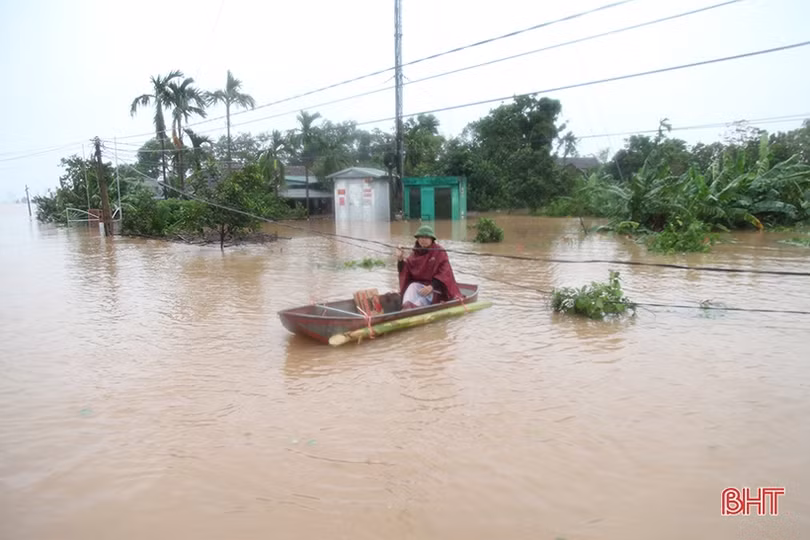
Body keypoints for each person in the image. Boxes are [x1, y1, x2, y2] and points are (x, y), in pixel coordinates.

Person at [396, 225, 462, 310]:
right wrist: (400, 258)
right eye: (420, 237)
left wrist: (432, 286)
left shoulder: (439, 251)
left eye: (426, 237)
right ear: (417, 239)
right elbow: (405, 271)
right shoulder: (414, 253)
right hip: (421, 287)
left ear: (432, 239)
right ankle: (406, 307)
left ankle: (412, 309)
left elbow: (444, 273)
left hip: (437, 289)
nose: (423, 240)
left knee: (421, 301)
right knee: (412, 286)